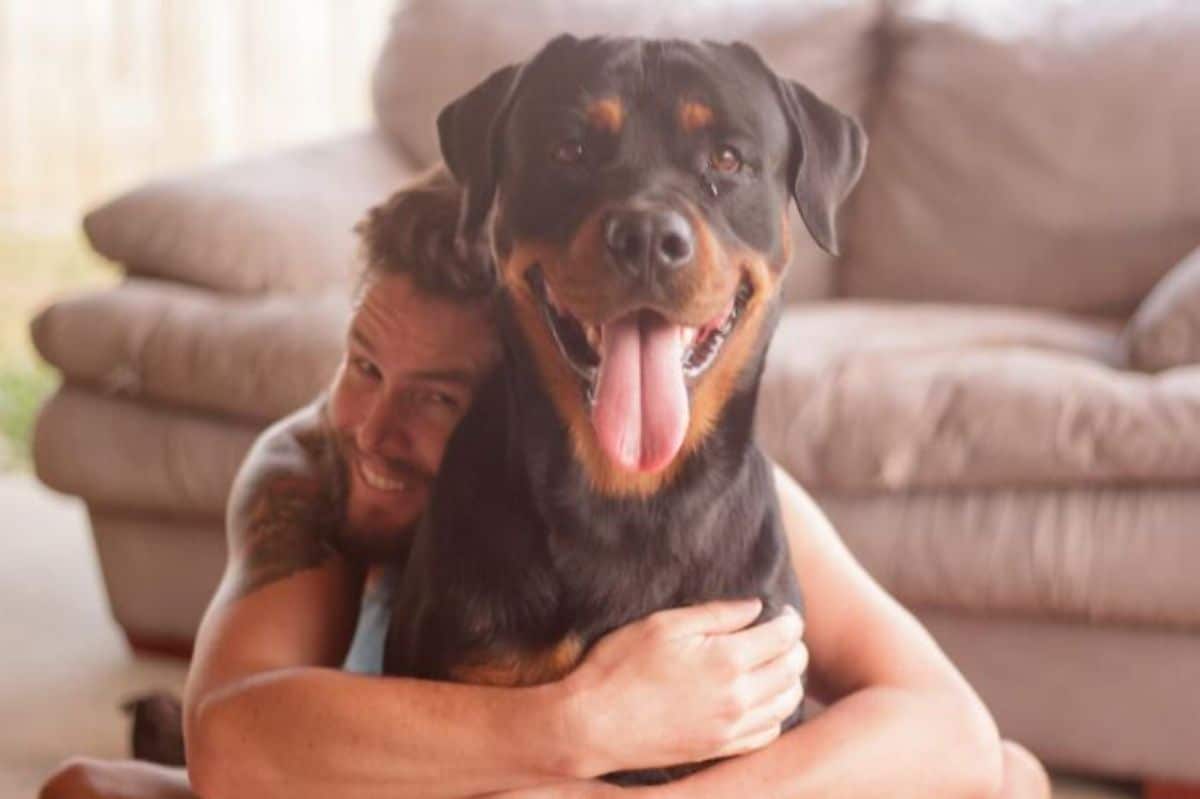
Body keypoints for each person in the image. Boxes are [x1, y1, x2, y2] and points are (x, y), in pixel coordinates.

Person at [40, 165, 1051, 799]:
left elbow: (952, 729)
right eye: (362, 365)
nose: (374, 431)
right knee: (84, 789)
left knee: (1014, 779)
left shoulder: (683, 481)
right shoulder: (309, 469)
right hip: (364, 776)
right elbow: (238, 758)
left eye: (438, 401)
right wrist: (585, 723)